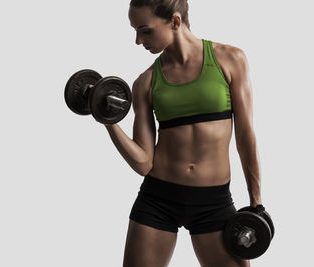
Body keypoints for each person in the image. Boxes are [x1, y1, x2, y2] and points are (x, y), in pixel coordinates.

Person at [104, 0, 262, 266]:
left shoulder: (230, 60)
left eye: (145, 30)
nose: (138, 40)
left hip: (214, 203)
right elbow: (144, 162)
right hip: (158, 200)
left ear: (175, 22)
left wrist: (256, 202)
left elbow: (246, 138)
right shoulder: (145, 83)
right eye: (135, 31)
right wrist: (108, 120)